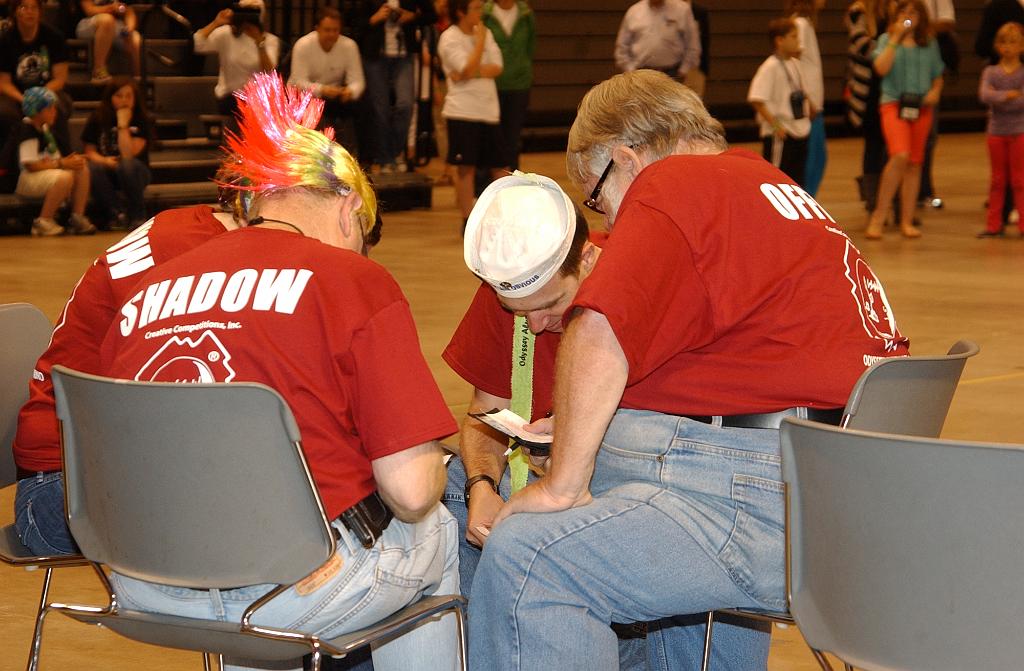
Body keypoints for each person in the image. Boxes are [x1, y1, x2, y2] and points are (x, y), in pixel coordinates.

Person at [466, 69, 910, 671]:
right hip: (859, 487)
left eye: (598, 199)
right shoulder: (774, 186)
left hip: (768, 493)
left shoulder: (671, 185)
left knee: (528, 554)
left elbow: (599, 328)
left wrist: (562, 481)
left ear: (626, 158)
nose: (612, 223)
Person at [99, 71, 461, 671]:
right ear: (349, 211)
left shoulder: (147, 290)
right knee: (436, 526)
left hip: (143, 581)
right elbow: (411, 492)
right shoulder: (352, 279)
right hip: (289, 593)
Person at [444, 171, 771, 671]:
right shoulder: (505, 297)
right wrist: (481, 485)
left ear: (591, 260)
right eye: (518, 311)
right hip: (535, 481)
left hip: (635, 484)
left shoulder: (646, 286)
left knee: (539, 552)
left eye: (552, 304)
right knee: (449, 495)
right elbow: (483, 415)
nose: (534, 325)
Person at [12, 81, 328, 557]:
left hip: (98, 472)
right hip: (63, 492)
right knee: (315, 505)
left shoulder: (198, 231)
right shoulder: (202, 259)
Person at [865, 0, 943, 240]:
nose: (909, 17)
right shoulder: (886, 40)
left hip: (921, 108)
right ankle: (879, 215)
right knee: (899, 154)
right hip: (893, 104)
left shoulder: (929, 44)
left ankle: (906, 220)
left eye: (913, 13)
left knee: (915, 163)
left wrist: (934, 92)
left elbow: (937, 75)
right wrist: (896, 39)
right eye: (904, 12)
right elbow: (880, 68)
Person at [438, 0, 505, 232]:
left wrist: (471, 72)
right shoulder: (450, 37)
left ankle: (502, 216)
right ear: (461, 12)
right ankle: (467, 219)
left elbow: (497, 66)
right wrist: (479, 45)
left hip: (489, 110)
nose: (481, 12)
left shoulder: (485, 33)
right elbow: (464, 69)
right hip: (462, 110)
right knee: (466, 167)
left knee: (499, 165)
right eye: (476, 8)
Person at [348, 0, 437, 173]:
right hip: (375, 55)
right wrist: (375, 18)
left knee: (406, 105)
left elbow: (431, 15)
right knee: (380, 108)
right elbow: (352, 22)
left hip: (404, 53)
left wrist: (412, 16)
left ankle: (394, 152)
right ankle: (384, 159)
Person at [13, 86, 93, 236]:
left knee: (81, 168)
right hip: (27, 179)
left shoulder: (45, 130)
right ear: (37, 111)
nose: (55, 112)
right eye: (50, 109)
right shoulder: (27, 129)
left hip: (43, 174)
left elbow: (53, 157)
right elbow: (30, 164)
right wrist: (61, 164)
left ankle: (77, 217)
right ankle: (43, 221)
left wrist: (70, 161)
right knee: (64, 176)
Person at [288, 6, 366, 155]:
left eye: (335, 30)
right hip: (306, 98)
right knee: (316, 117)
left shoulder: (349, 46)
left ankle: (351, 157)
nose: (331, 34)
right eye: (327, 30)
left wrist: (350, 91)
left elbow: (358, 81)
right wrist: (322, 90)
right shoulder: (303, 45)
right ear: (317, 28)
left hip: (336, 97)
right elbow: (298, 81)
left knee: (358, 111)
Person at [193, 0, 280, 129]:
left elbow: (269, 71)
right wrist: (216, 23)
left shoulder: (270, 40)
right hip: (230, 96)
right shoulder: (225, 35)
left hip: (258, 98)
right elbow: (198, 44)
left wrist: (259, 42)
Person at [81, 76, 152, 230]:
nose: (124, 100)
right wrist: (105, 161)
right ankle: (117, 213)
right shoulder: (97, 117)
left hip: (136, 171)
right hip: (107, 168)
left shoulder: (142, 119)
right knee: (91, 168)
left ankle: (138, 215)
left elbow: (128, 154)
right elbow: (89, 151)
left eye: (128, 96)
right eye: (119, 96)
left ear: (135, 98)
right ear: (110, 98)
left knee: (126, 165)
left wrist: (122, 125)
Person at [0, 0, 72, 148]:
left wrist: (38, 96)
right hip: (16, 94)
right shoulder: (5, 41)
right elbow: (3, 82)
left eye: (34, 8)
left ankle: (62, 153)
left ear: (40, 12)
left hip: (48, 90)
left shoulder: (55, 37)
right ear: (15, 12)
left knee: (58, 105)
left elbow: (60, 78)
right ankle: (10, 162)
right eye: (24, 7)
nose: (29, 11)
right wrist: (25, 99)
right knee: (5, 112)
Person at [748, 18, 811, 186]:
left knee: (797, 181)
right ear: (779, 40)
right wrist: (776, 126)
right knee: (777, 180)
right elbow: (757, 99)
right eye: (793, 36)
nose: (798, 41)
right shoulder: (770, 67)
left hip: (799, 130)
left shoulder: (796, 64)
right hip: (781, 134)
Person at [977, 22, 1024, 239]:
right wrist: (1009, 95)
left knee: (1019, 180)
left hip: (1019, 132)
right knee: (997, 180)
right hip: (996, 132)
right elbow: (984, 96)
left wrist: (999, 97)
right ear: (997, 46)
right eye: (1003, 42)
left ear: (1021, 46)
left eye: (1013, 42)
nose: (1007, 47)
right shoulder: (990, 71)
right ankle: (994, 225)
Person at [846, 0, 890, 213]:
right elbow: (863, 47)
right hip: (868, 93)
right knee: (873, 146)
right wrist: (891, 47)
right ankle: (872, 198)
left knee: (891, 148)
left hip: (890, 89)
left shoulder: (893, 8)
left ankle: (892, 199)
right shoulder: (857, 13)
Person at [482, 0, 534, 172]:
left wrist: (522, 69)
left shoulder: (526, 14)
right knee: (490, 137)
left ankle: (512, 178)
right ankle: (483, 184)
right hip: (491, 85)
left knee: (512, 138)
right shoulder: (485, 13)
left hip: (519, 85)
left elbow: (530, 47)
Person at [788, 0, 827, 196]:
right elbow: (793, 60)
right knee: (812, 160)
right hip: (809, 106)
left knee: (817, 158)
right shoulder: (800, 24)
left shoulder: (805, 23)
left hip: (813, 105)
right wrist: (807, 99)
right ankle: (806, 199)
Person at [614, 0, 700, 83]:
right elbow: (622, 46)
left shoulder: (682, 10)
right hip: (641, 74)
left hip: (672, 74)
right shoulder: (634, 11)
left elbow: (692, 44)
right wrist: (630, 70)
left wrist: (683, 70)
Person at [75, 0, 141, 81]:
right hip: (87, 23)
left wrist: (129, 29)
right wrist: (110, 8)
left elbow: (128, 12)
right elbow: (89, 10)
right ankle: (98, 70)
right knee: (107, 20)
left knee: (136, 38)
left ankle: (137, 79)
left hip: (115, 24)